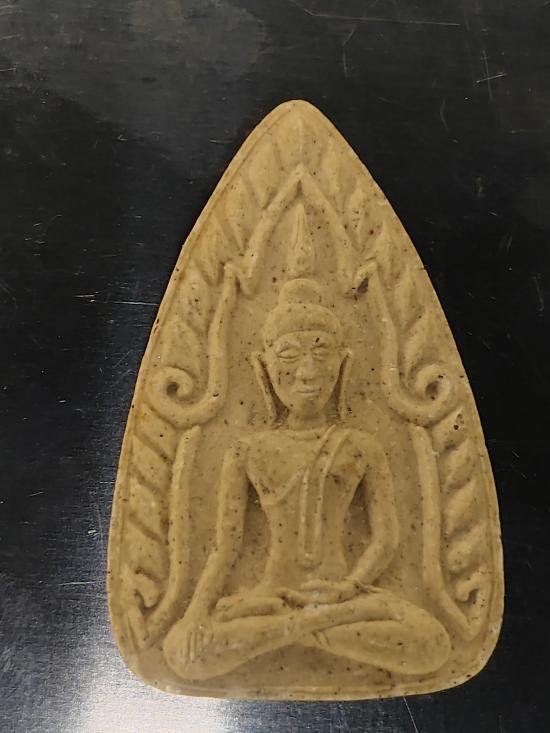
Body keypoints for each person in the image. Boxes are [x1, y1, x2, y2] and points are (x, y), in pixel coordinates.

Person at [163, 278, 451, 680]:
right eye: (289, 355)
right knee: (181, 653)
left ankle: (293, 630)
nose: (307, 371)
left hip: (340, 599)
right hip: (271, 598)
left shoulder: (361, 446)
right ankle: (305, 626)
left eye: (321, 353)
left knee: (432, 643)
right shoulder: (247, 451)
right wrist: (196, 613)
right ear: (263, 367)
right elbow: (225, 547)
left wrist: (350, 588)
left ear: (344, 364)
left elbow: (386, 539)